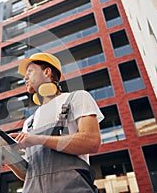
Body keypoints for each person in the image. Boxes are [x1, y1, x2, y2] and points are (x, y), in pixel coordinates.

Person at [7, 52, 104, 192]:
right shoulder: (29, 122)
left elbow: (92, 142)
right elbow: (29, 173)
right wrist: (8, 159)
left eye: (30, 71)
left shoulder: (76, 98)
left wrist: (39, 139)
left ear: (47, 72)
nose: (25, 77)